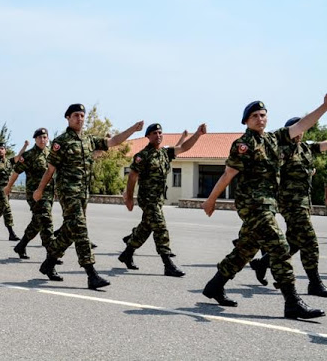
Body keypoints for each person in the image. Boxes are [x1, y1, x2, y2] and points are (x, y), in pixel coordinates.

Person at [201, 98, 327, 320]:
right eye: (255, 116)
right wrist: (211, 200)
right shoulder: (243, 144)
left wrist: (324, 107)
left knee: (246, 249)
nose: (260, 119)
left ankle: (215, 285)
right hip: (253, 205)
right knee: (279, 247)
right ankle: (292, 303)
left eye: (263, 115)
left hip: (269, 204)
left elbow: (302, 125)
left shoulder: (274, 139)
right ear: (246, 121)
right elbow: (228, 174)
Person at [33, 103, 144, 289]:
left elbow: (113, 141)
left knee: (71, 230)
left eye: (82, 115)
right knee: (81, 230)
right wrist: (40, 190)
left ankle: (49, 263)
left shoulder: (88, 140)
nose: (80, 118)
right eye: (76, 115)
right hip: (68, 193)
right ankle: (91, 274)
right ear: (68, 118)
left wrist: (133, 129)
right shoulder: (61, 142)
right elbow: (50, 169)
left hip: (83, 193)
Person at [247, 117, 327, 297]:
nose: (300, 133)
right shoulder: (280, 150)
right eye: (297, 129)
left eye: (302, 130)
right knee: (310, 241)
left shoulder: (306, 148)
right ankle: (314, 283)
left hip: (304, 204)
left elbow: (322, 145)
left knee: (294, 241)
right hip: (290, 204)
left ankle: (263, 263)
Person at [119, 123, 206, 277]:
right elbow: (132, 177)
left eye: (160, 132)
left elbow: (184, 147)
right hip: (148, 199)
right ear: (148, 136)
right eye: (154, 133)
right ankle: (168, 264)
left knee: (145, 228)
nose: (158, 135)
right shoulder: (142, 155)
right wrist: (130, 198)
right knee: (160, 227)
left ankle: (127, 253)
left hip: (158, 199)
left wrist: (197, 134)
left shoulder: (166, 153)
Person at [5, 129, 54, 259]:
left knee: (37, 222)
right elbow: (16, 172)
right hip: (35, 195)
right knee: (46, 221)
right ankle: (52, 255)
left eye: (44, 137)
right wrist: (9, 186)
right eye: (39, 138)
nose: (42, 140)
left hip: (48, 194)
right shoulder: (29, 155)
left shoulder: (51, 154)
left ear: (48, 138)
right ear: (35, 140)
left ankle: (21, 245)